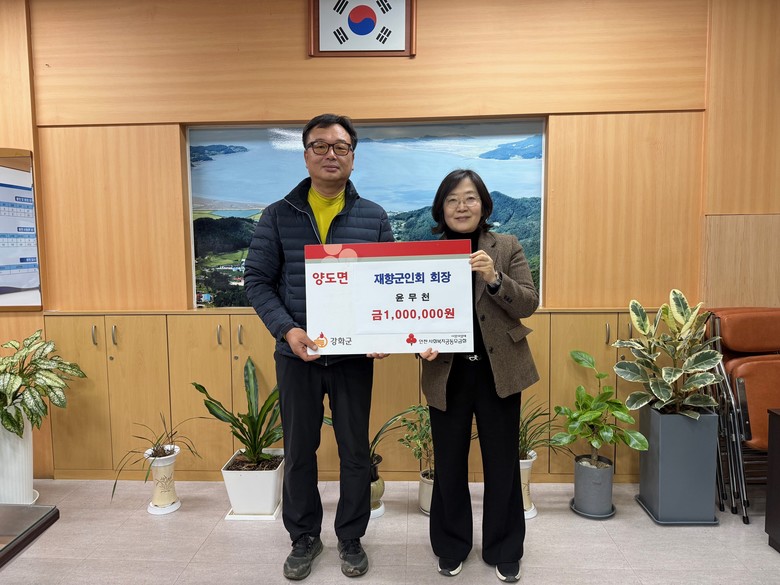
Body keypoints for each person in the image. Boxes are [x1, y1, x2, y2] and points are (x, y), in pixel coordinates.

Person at [244, 113, 393, 581]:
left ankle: (351, 537)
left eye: (341, 147)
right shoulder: (277, 214)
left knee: (355, 451)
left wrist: (383, 334)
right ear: (306, 154)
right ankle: (304, 536)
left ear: (353, 157)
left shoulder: (373, 216)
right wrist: (287, 330)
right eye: (321, 146)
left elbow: (387, 285)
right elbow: (257, 281)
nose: (331, 154)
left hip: (352, 359)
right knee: (299, 451)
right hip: (297, 356)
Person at [418, 169, 539, 583]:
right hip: (446, 372)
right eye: (452, 199)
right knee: (448, 463)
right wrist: (418, 343)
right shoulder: (427, 254)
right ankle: (451, 546)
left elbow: (528, 303)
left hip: (497, 372)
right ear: (441, 208)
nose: (461, 206)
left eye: (469, 198)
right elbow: (410, 314)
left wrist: (494, 278)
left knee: (502, 463)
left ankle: (504, 547)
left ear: (483, 205)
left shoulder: (506, 246)